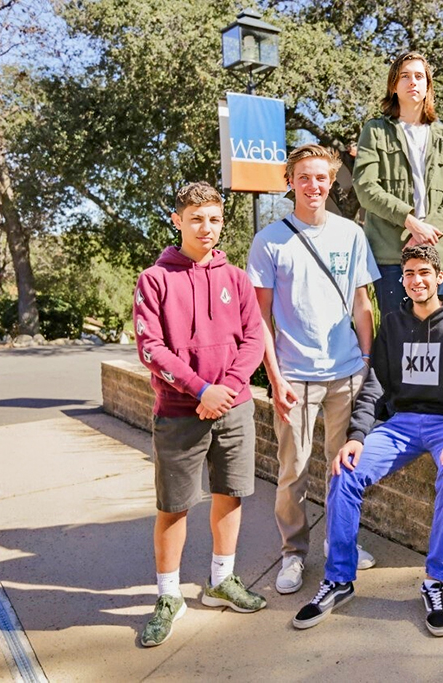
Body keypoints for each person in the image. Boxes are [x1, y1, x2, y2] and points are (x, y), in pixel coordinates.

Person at [293, 245, 443, 637]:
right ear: (402, 280)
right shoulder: (394, 326)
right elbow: (376, 387)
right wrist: (356, 436)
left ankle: (435, 582)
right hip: (401, 424)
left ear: (438, 277)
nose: (416, 280)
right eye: (409, 274)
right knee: (344, 473)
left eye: (424, 273)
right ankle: (339, 579)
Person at [134, 182, 267, 647]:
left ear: (221, 221)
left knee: (230, 495)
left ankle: (220, 581)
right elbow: (151, 348)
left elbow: (254, 338)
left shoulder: (237, 279)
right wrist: (200, 390)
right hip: (178, 411)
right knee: (174, 505)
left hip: (233, 408)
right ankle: (168, 597)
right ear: (178, 221)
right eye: (195, 219)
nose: (205, 228)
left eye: (213, 219)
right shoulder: (155, 279)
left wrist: (226, 390)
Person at [247, 144, 382, 596]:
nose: (313, 185)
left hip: (347, 372)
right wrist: (275, 375)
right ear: (290, 183)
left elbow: (363, 305)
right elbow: (260, 318)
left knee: (344, 469)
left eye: (321, 177)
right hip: (294, 377)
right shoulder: (269, 241)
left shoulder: (351, 234)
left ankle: (342, 544)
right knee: (293, 471)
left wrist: (366, 362)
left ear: (331, 181)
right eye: (303, 177)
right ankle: (293, 553)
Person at [353, 51, 443, 317]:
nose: (412, 82)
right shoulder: (375, 130)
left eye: (419, 76)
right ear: (394, 85)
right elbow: (366, 187)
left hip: (436, 252)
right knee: (398, 336)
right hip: (392, 254)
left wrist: (428, 232)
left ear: (428, 86)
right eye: (405, 76)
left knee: (437, 336)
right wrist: (411, 223)